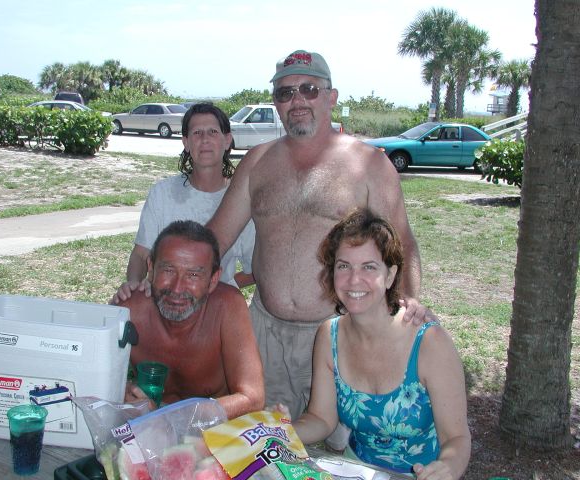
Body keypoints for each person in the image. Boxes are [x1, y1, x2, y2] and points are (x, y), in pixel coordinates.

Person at [206, 50, 428, 419]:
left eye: (308, 89)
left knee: (338, 451)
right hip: (265, 334)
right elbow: (216, 237)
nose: (297, 101)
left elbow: (402, 241)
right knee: (263, 442)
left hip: (340, 335)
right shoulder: (257, 162)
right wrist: (167, 274)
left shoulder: (370, 164)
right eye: (284, 93)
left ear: (331, 97)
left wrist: (407, 305)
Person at [284, 209, 470, 479]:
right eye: (343, 265)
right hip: (357, 470)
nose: (353, 280)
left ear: (391, 276)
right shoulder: (329, 335)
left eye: (369, 267)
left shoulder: (429, 343)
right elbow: (322, 419)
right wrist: (278, 432)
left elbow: (457, 438)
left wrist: (448, 468)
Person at [111, 103, 255, 305]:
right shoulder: (162, 193)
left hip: (214, 310)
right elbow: (140, 254)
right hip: (165, 302)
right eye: (197, 133)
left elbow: (254, 271)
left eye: (213, 132)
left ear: (227, 140)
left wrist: (220, 288)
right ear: (186, 142)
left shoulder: (242, 200)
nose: (204, 140)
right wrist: (134, 285)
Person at [120, 220, 264, 419]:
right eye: (168, 270)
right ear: (151, 268)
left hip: (212, 432)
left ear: (213, 280)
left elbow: (253, 398)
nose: (178, 288)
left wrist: (168, 416)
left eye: (193, 275)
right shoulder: (129, 311)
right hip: (149, 430)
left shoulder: (227, 307)